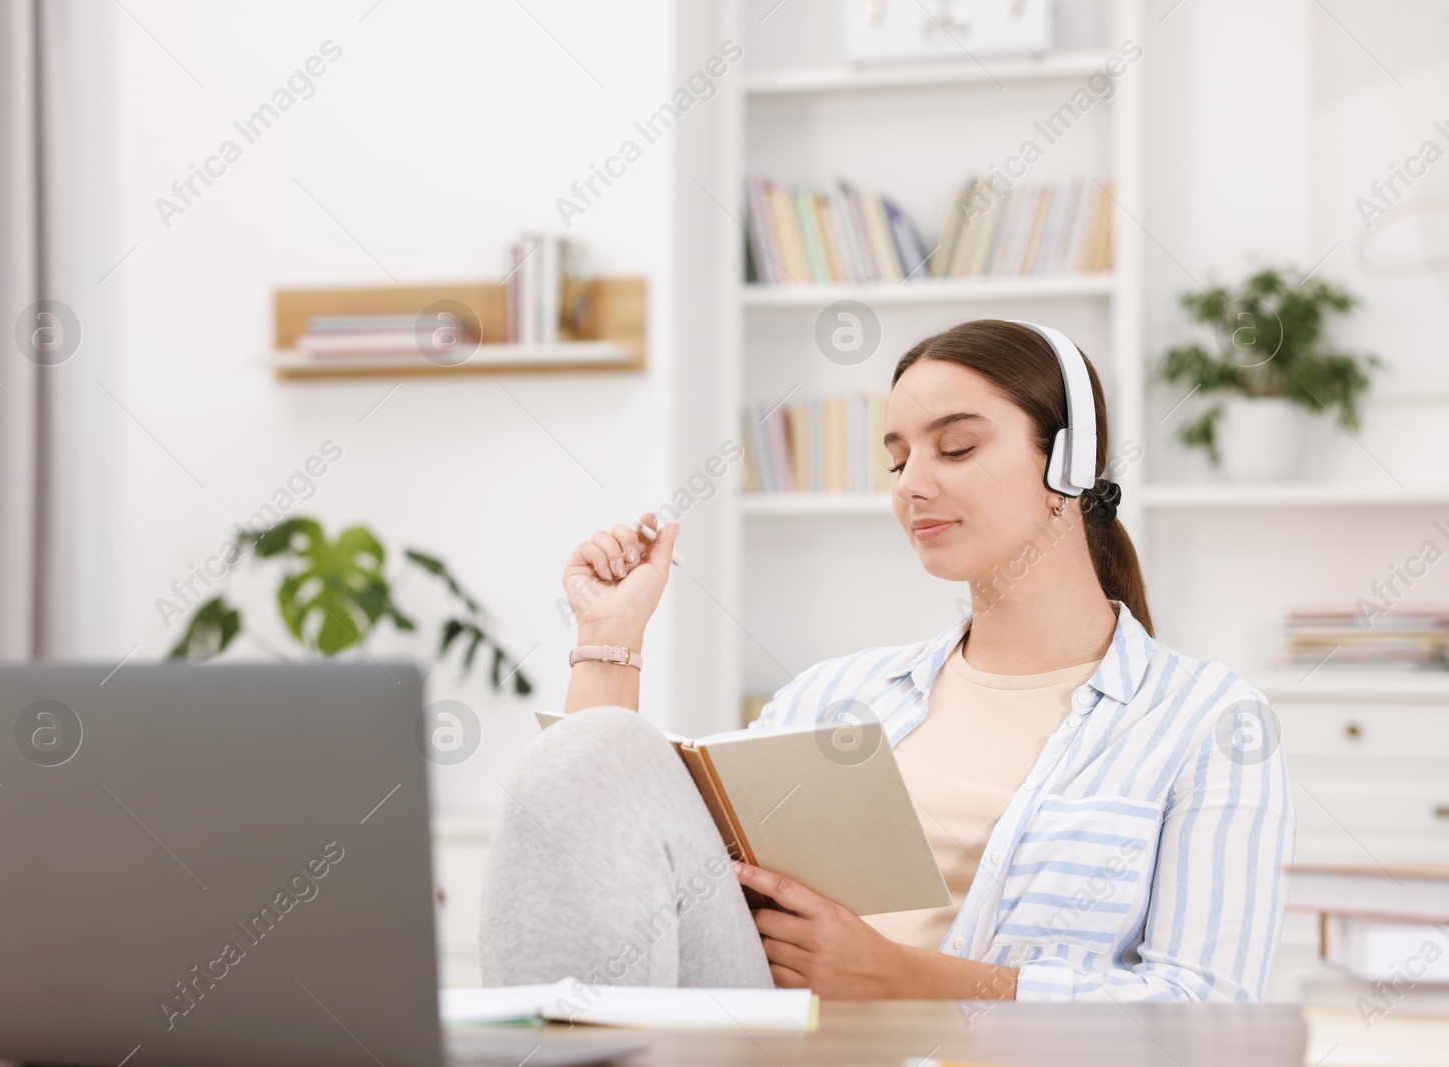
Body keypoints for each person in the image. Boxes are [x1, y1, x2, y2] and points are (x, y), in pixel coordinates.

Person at [480, 319, 1295, 1003]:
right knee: (587, 754)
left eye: (957, 448)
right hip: (774, 1043)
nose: (913, 484)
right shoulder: (836, 694)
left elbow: (1207, 1019)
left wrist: (900, 975)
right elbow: (595, 837)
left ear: (1069, 466)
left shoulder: (1208, 721)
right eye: (899, 458)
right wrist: (610, 631)